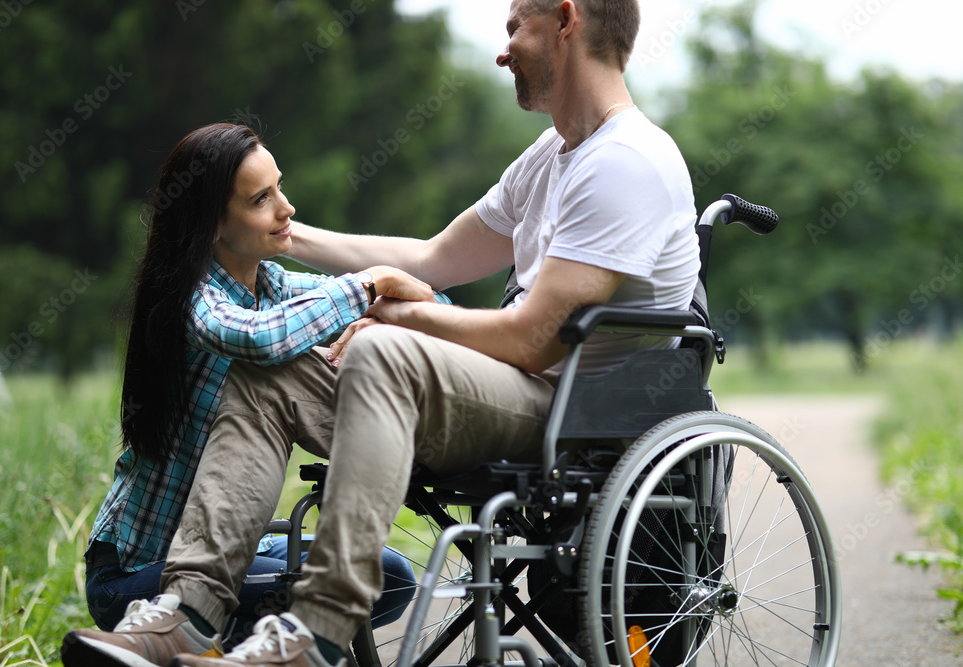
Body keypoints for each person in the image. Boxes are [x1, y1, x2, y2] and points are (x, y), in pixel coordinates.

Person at [61, 1, 701, 665]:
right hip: (510, 394)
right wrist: (278, 232)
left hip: (572, 411)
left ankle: (318, 631)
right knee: (266, 371)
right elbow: (429, 260)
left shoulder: (625, 162)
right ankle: (191, 611)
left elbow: (535, 340)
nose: (503, 49)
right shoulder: (550, 159)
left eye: (515, 26)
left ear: (566, 18)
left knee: (381, 345)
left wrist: (400, 313)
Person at [70, 122, 439, 658]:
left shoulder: (275, 286)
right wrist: (370, 284)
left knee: (390, 573)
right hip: (139, 579)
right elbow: (259, 338)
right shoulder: (192, 300)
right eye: (261, 199)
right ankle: (175, 637)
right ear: (212, 225)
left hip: (230, 548)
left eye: (279, 188)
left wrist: (382, 319)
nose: (286, 208)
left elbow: (436, 303)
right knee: (347, 585)